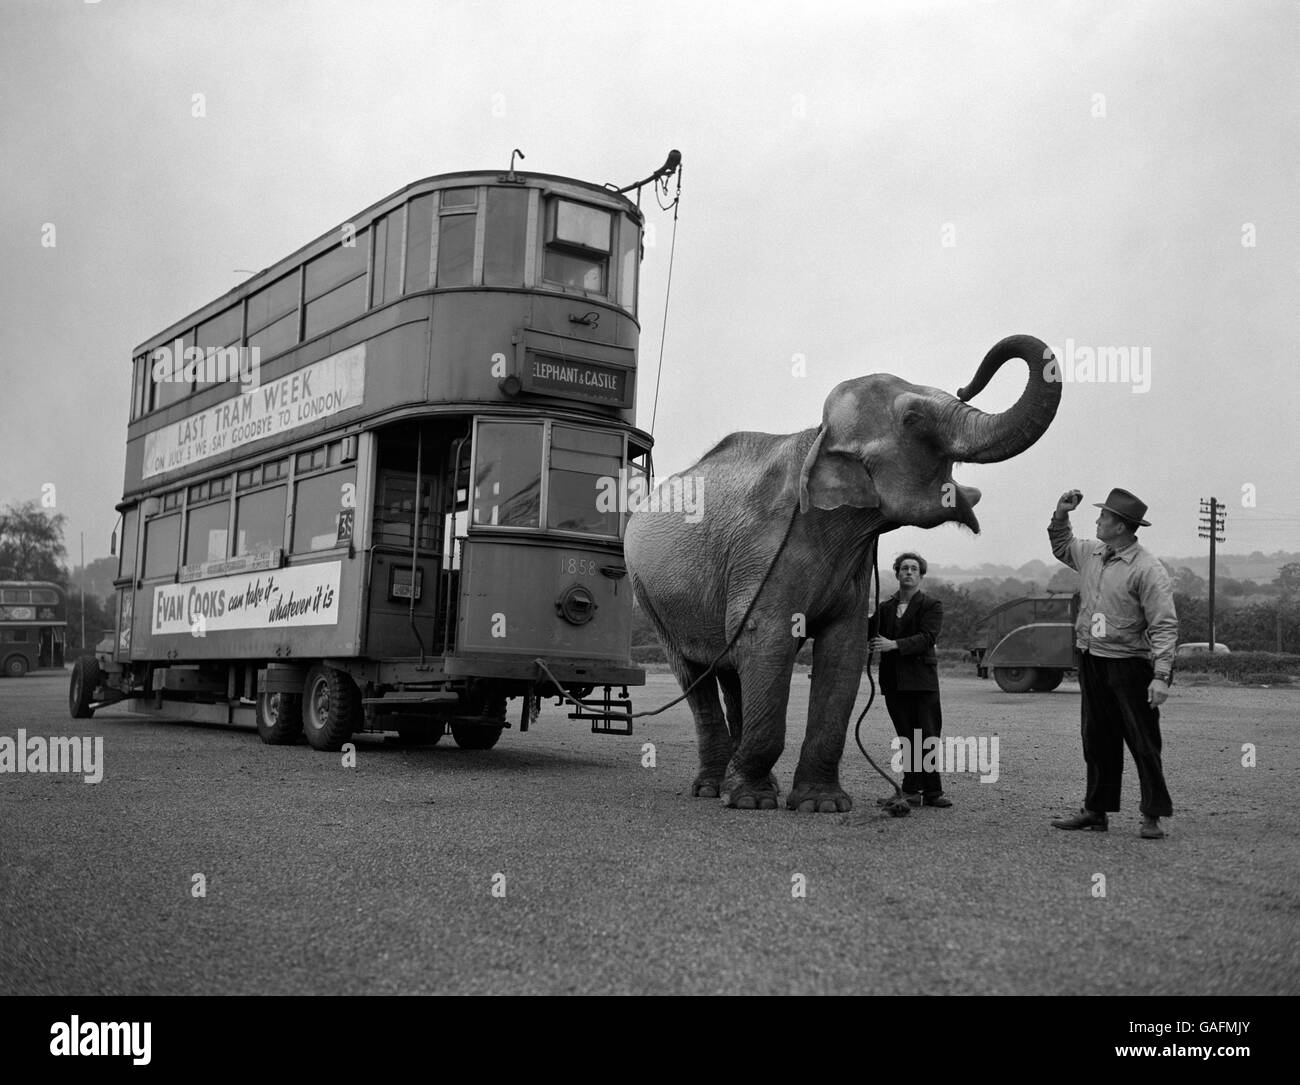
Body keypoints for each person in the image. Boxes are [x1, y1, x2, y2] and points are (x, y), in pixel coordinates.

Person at [1048, 488, 1178, 839]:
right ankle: (1096, 811)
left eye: (1103, 517)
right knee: (1096, 738)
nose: (1097, 520)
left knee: (1143, 741)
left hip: (1129, 665)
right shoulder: (1093, 553)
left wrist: (1162, 676)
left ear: (1121, 526)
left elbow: (1164, 625)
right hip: (1091, 659)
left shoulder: (1148, 569)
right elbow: (1062, 546)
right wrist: (1061, 513)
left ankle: (1152, 815)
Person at [869, 552, 951, 808]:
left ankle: (933, 793)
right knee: (906, 737)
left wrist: (894, 644)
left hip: (922, 681)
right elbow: (868, 631)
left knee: (927, 736)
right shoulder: (885, 608)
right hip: (893, 682)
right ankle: (911, 791)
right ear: (897, 573)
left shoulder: (931, 605)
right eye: (904, 568)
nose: (909, 572)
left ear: (921, 575)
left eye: (914, 569)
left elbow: (928, 638)